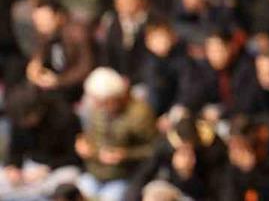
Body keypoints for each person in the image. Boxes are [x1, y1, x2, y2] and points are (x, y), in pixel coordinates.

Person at [75, 68, 157, 201]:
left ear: (115, 97)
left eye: (102, 102)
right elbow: (91, 137)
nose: (98, 107)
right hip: (93, 173)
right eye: (96, 102)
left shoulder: (139, 115)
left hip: (122, 176)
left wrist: (125, 155)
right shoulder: (96, 110)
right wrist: (86, 147)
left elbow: (154, 149)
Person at [0, 82, 83, 200]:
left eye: (26, 120)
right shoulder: (19, 119)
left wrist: (47, 169)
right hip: (29, 168)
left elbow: (73, 157)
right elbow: (15, 150)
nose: (24, 124)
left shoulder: (64, 117)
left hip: (57, 168)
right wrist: (13, 167)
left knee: (68, 180)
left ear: (37, 110)